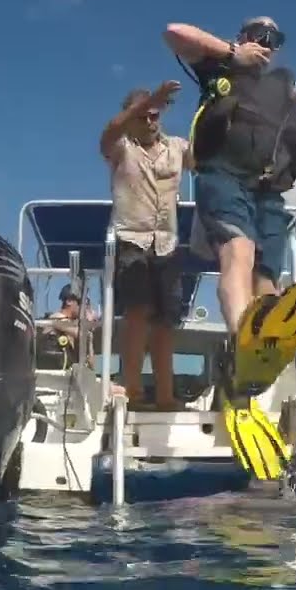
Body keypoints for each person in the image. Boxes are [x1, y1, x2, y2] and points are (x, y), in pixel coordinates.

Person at [163, 16, 296, 339]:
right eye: (260, 33)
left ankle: (263, 351)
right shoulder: (219, 67)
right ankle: (242, 340)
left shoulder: (283, 86)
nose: (267, 43)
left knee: (268, 280)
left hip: (267, 190)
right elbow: (175, 33)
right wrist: (233, 53)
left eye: (275, 38)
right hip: (223, 176)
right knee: (238, 251)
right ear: (243, 35)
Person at [98, 83, 192, 411]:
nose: (151, 121)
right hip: (131, 239)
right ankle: (133, 391)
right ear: (132, 118)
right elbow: (110, 131)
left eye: (155, 115)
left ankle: (166, 396)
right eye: (143, 115)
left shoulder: (178, 148)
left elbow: (208, 157)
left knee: (167, 320)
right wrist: (146, 102)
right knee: (137, 313)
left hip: (167, 243)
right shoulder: (121, 147)